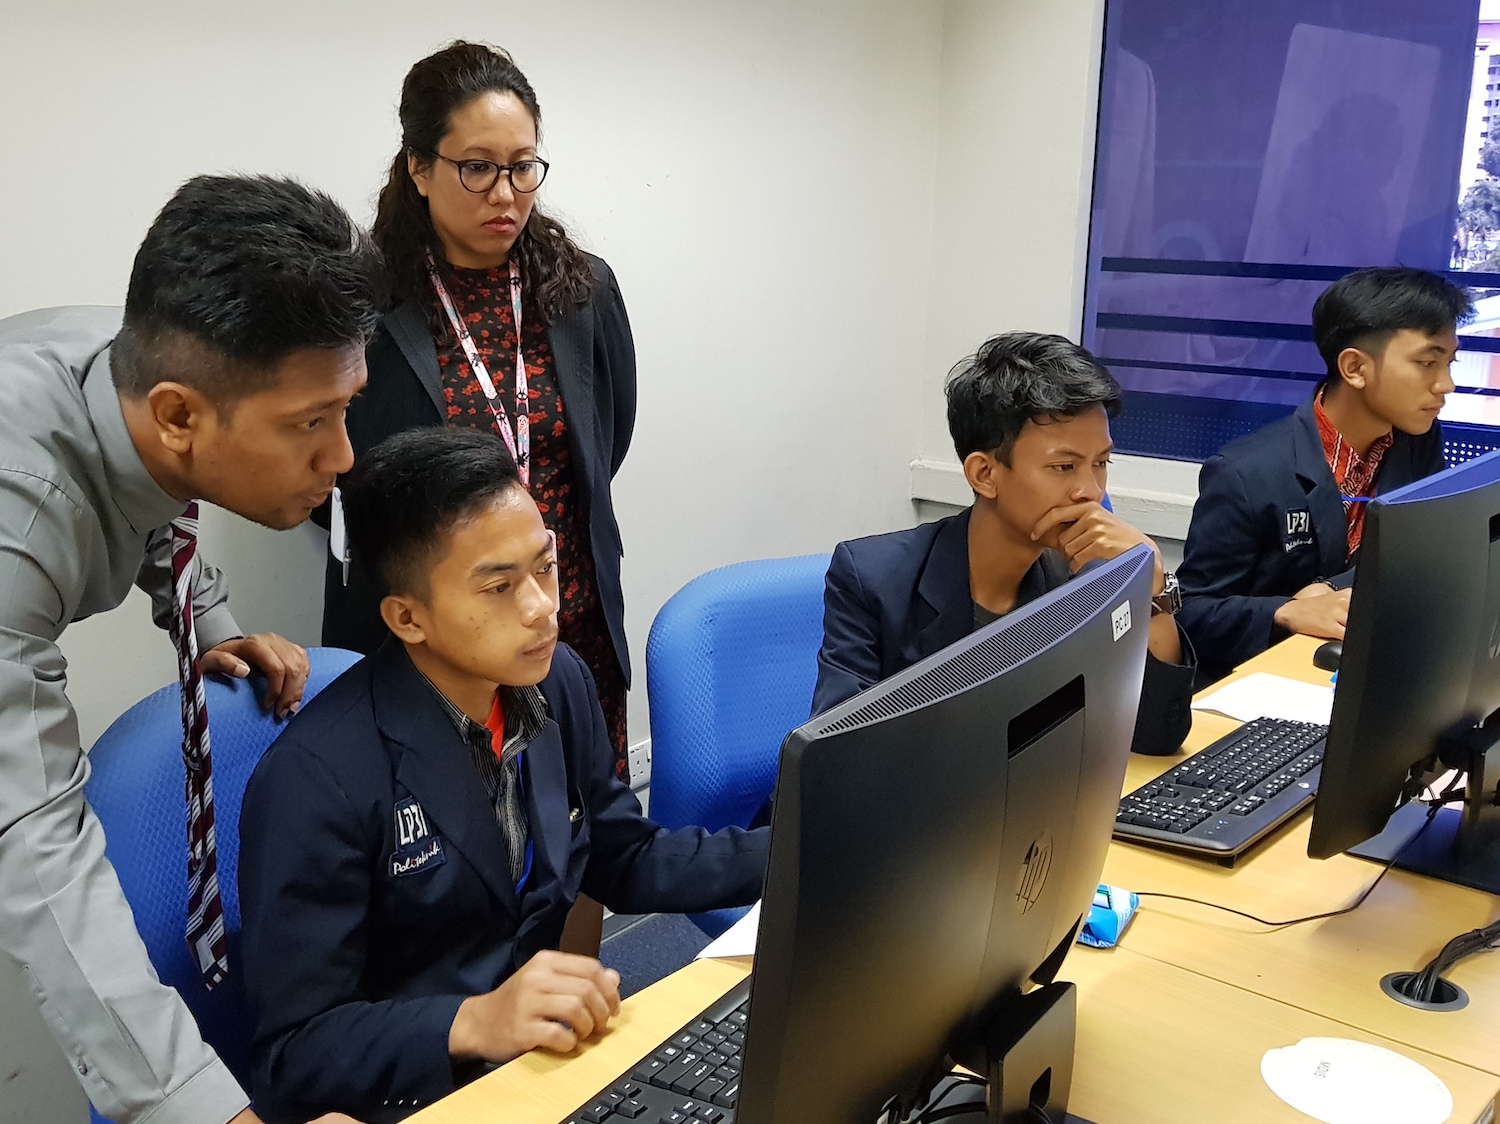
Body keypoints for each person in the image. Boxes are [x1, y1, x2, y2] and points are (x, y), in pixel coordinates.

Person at [240, 428, 768, 1124]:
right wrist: (473, 1021)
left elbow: (624, 857)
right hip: (412, 1095)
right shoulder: (318, 777)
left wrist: (813, 840)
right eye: (499, 586)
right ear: (408, 618)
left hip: (537, 1070)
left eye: (544, 568)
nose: (542, 607)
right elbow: (296, 1047)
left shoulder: (557, 683)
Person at [0, 176, 378, 1124]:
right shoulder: (17, 515)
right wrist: (209, 1112)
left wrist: (210, 620)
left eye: (346, 409)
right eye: (309, 425)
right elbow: (35, 843)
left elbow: (160, 502)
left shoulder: (135, 371)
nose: (343, 460)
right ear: (177, 415)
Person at [321, 40, 637, 781]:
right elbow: (329, 481)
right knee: (447, 853)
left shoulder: (584, 292)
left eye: (523, 166)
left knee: (583, 833)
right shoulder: (360, 304)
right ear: (420, 167)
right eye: (478, 167)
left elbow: (603, 442)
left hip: (562, 623)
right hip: (427, 640)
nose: (505, 193)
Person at [815, 332, 1195, 754]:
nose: (1090, 490)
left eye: (1101, 464)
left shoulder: (1088, 577)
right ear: (984, 475)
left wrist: (1152, 586)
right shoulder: (873, 579)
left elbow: (1157, 736)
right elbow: (835, 763)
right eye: (1064, 466)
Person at [1177, 267, 1472, 685]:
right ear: (1354, 367)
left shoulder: (1415, 440)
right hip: (1263, 684)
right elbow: (1191, 612)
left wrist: (1331, 590)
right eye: (1427, 362)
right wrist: (1285, 611)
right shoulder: (1247, 472)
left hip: (1366, 667)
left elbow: (1421, 550)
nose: (1446, 384)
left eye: (1449, 361)